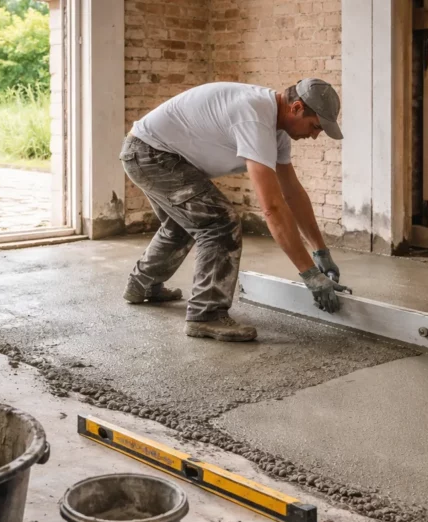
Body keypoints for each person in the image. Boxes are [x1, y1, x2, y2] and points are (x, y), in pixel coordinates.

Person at [119, 78, 351, 342]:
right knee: (219, 223)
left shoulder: (276, 131)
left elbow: (292, 194)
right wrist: (310, 275)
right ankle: (205, 315)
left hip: (151, 152)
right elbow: (273, 208)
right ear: (296, 108)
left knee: (183, 223)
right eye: (315, 126)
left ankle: (142, 285)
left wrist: (320, 250)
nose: (314, 135)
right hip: (150, 153)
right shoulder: (254, 118)